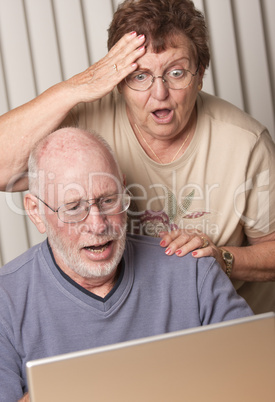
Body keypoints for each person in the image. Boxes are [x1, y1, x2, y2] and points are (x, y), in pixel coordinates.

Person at [0, 0, 274, 314]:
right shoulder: (87, 125)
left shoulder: (246, 143)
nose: (160, 93)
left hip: (225, 325)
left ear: (200, 76)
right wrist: (78, 86)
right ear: (118, 82)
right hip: (134, 325)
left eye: (176, 72)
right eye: (140, 76)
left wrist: (222, 259)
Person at [0, 127, 253, 401]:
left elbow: (256, 376)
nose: (98, 225)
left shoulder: (192, 270)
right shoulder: (6, 300)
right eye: (74, 208)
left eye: (108, 200)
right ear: (36, 212)